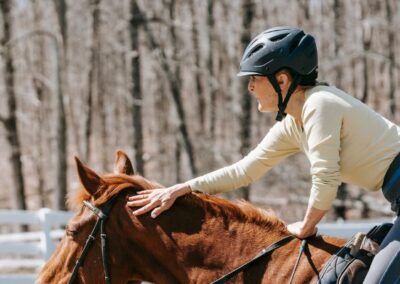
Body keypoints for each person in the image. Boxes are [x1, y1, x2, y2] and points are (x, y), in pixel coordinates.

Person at [127, 26, 400, 283]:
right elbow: (246, 170)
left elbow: (326, 179)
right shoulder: (293, 124)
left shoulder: (320, 104)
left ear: (281, 79)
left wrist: (306, 226)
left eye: (255, 78)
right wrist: (181, 189)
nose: (250, 88)